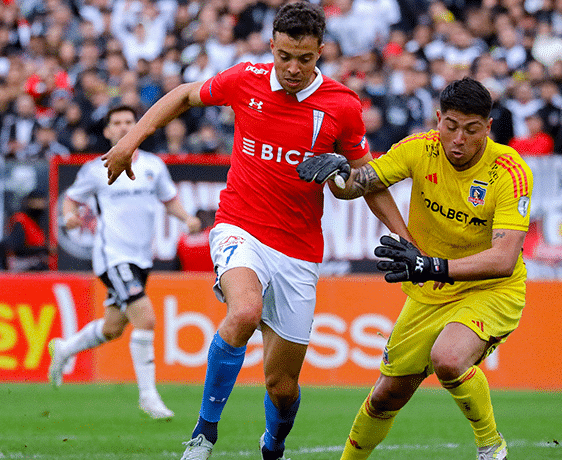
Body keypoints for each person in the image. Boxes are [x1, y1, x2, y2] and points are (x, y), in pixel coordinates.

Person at [100, 3, 411, 460]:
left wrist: (402, 235)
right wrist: (130, 142)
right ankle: (204, 434)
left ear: (320, 52)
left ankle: (274, 443)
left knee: (281, 387)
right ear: (272, 47)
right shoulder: (245, 79)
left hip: (300, 252)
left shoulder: (342, 106)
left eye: (304, 59)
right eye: (285, 56)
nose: (293, 68)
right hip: (239, 227)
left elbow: (365, 181)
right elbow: (186, 94)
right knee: (244, 311)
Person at [297, 77, 532, 460]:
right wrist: (339, 173)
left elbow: (503, 259)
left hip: (490, 289)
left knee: (449, 359)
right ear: (438, 118)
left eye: (471, 130)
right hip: (431, 290)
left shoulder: (509, 172)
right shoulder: (419, 149)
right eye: (450, 126)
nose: (458, 139)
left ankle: (491, 446)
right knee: (385, 395)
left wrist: (431, 265)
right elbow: (361, 183)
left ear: (487, 128)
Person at [47, 105, 201, 420]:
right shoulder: (96, 169)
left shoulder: (154, 166)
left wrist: (186, 218)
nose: (122, 127)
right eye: (116, 123)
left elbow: (169, 199)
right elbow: (71, 198)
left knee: (113, 327)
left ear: (139, 126)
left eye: (129, 122)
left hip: (140, 258)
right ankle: (148, 396)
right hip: (113, 257)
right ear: (107, 132)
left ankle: (64, 349)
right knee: (145, 318)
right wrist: (68, 217)